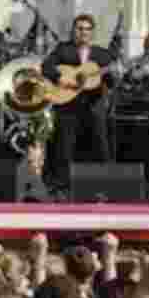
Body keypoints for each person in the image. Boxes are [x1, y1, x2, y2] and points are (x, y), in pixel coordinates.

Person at [41, 14, 115, 191]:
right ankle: (61, 184)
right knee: (64, 145)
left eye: (87, 29)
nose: (83, 32)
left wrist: (112, 76)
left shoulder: (102, 54)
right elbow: (46, 67)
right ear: (73, 30)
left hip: (93, 103)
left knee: (100, 143)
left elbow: (109, 80)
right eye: (80, 28)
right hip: (67, 104)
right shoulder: (63, 49)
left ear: (92, 32)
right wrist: (63, 79)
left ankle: (104, 183)